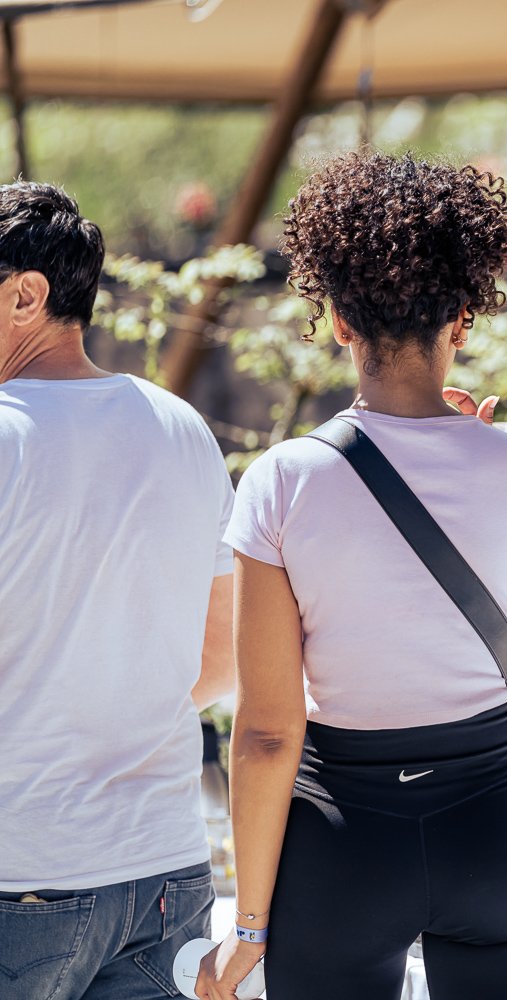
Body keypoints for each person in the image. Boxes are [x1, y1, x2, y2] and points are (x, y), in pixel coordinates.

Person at [197, 151, 507, 1000]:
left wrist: (248, 931)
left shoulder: (283, 481)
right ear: (463, 321)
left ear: (338, 322)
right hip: (498, 831)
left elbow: (265, 733)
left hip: (342, 841)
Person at [0, 182, 236, 999]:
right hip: (165, 873)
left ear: (27, 294)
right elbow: (223, 656)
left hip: (21, 872)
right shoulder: (181, 429)